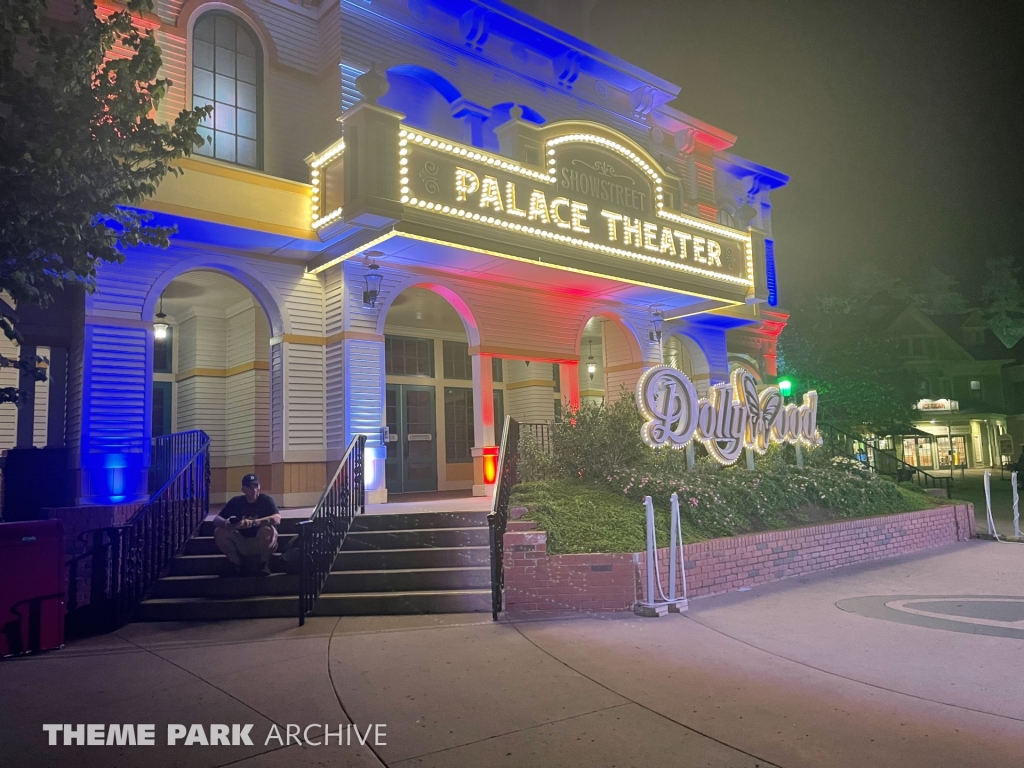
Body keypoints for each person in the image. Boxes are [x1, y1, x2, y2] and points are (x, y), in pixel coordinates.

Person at [213, 474, 281, 576]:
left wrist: (254, 522)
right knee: (219, 531)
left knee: (268, 530)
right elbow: (217, 519)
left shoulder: (266, 500)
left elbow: (277, 518)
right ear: (243, 489)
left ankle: (263, 564)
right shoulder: (236, 501)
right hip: (242, 541)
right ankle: (235, 563)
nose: (254, 490)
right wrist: (228, 524)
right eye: (250, 487)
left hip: (261, 542)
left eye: (256, 486)